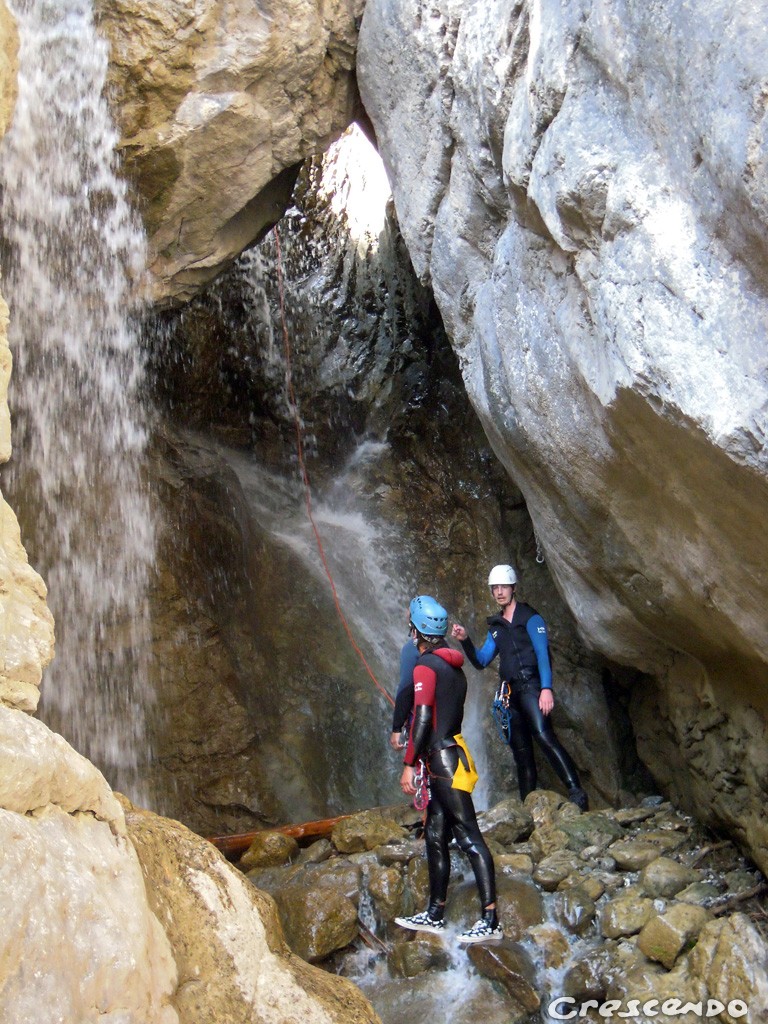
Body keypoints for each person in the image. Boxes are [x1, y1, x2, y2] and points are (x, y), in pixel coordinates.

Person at [394, 595, 503, 945]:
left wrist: (409, 764)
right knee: (436, 836)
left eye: (411, 626)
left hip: (440, 760)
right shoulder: (454, 667)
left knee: (468, 836)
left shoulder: (425, 667)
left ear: (418, 631)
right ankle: (435, 912)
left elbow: (423, 718)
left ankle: (490, 919)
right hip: (450, 755)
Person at [451, 564, 588, 811]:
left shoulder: (530, 618)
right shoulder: (496, 628)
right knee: (522, 753)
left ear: (513, 588)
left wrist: (546, 689)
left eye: (504, 587)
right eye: (495, 588)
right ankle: (527, 807)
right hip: (510, 693)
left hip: (532, 686)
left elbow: (542, 654)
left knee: (544, 736)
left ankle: (576, 792)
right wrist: (465, 640)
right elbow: (481, 661)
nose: (499, 592)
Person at [390, 607, 420, 750]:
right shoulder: (445, 649)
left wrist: (397, 728)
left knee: (414, 768)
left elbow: (405, 688)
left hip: (419, 721)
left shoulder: (411, 649)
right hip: (445, 724)